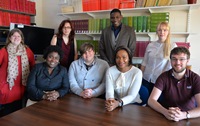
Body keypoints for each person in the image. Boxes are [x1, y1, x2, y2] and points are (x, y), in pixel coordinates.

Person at [148, 47, 200, 121]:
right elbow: (151, 100)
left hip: (188, 117)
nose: (177, 62)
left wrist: (184, 115)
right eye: (174, 59)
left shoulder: (195, 78)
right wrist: (165, 112)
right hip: (167, 116)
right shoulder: (163, 77)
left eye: (181, 59)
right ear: (170, 60)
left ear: (187, 61)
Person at [0, 28, 35, 117]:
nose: (16, 38)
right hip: (7, 85)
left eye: (18, 36)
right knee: (7, 112)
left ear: (21, 38)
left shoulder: (26, 50)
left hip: (21, 84)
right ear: (10, 38)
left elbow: (33, 65)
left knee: (19, 111)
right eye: (14, 36)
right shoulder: (4, 50)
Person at [105, 46, 148, 112]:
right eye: (117, 57)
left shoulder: (137, 72)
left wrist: (118, 103)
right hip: (115, 102)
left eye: (124, 57)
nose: (121, 60)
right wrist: (110, 102)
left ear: (129, 58)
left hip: (133, 104)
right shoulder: (110, 71)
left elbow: (132, 95)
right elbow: (109, 91)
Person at [140, 22, 177, 94]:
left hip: (159, 81)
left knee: (155, 102)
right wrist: (140, 77)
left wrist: (161, 79)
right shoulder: (150, 45)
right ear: (157, 31)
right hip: (146, 78)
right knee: (144, 101)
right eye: (160, 30)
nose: (162, 32)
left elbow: (169, 67)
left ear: (168, 32)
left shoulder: (172, 46)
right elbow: (144, 62)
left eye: (165, 30)